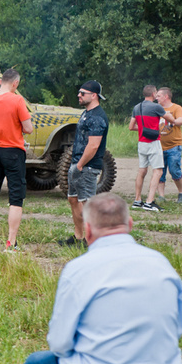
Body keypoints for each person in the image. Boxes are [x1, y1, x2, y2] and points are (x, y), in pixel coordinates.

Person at [20, 193, 182, 364]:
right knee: (148, 349)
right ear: (130, 223)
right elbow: (177, 326)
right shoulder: (162, 264)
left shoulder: (79, 269)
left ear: (87, 230)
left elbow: (59, 343)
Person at [0, 68, 33, 252]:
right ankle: (11, 243)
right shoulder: (17, 100)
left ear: (1, 81)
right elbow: (29, 128)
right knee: (16, 198)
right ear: (15, 84)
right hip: (13, 152)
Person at [58, 81, 109, 247]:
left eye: (82, 93)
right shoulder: (86, 113)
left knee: (87, 203)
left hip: (87, 167)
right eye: (79, 93)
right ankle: (78, 237)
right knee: (73, 199)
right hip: (77, 165)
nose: (79, 95)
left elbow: (93, 146)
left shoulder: (98, 117)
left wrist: (79, 165)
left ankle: (92, 240)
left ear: (94, 95)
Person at [129, 85, 176, 212]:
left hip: (141, 143)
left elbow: (131, 126)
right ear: (153, 94)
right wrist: (172, 118)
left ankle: (137, 200)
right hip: (153, 142)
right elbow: (171, 119)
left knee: (142, 170)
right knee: (158, 171)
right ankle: (149, 202)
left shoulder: (136, 107)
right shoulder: (156, 107)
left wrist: (143, 129)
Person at [155, 87, 182, 203]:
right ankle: (161, 197)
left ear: (166, 96)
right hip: (159, 146)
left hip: (174, 146)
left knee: (174, 170)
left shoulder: (176, 108)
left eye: (158, 96)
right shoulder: (157, 109)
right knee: (160, 172)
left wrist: (171, 121)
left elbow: (181, 121)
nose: (156, 98)